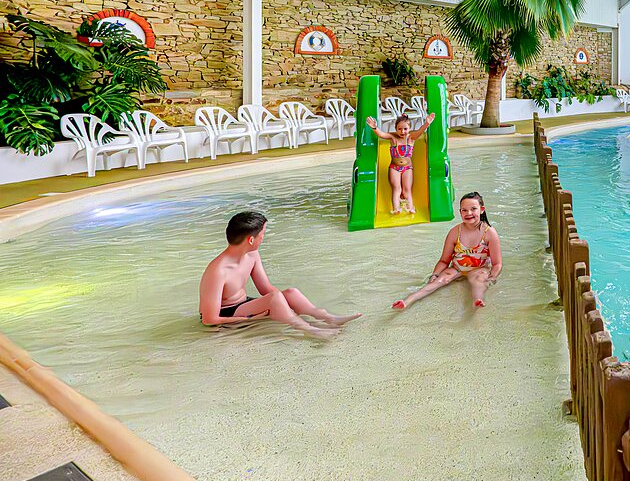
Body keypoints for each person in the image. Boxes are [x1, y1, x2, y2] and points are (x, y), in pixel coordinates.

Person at [198, 211, 361, 337]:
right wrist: (254, 319)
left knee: (290, 293)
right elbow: (209, 319)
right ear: (251, 240)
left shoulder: (252, 255)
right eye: (262, 235)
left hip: (243, 304)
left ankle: (327, 318)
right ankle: (309, 330)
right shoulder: (218, 271)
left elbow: (266, 288)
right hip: (225, 314)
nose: (263, 238)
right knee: (275, 299)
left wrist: (287, 305)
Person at [394, 192, 502, 310]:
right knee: (439, 281)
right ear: (460, 212)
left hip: (479, 269)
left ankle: (477, 300)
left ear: (481, 210)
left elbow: (497, 263)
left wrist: (492, 277)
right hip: (457, 268)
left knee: (479, 281)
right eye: (464, 210)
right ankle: (408, 300)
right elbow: (444, 261)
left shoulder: (489, 232)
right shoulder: (455, 232)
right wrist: (435, 275)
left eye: (473, 209)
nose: (469, 213)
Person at [364, 111, 435, 215]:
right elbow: (381, 134)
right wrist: (374, 128)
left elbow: (420, 131)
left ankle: (411, 208)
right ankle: (396, 208)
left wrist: (427, 123)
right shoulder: (393, 138)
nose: (402, 131)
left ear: (409, 129)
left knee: (407, 190)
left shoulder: (411, 138)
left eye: (405, 129)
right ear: (396, 129)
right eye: (399, 129)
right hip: (394, 168)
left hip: (407, 168)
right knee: (397, 188)